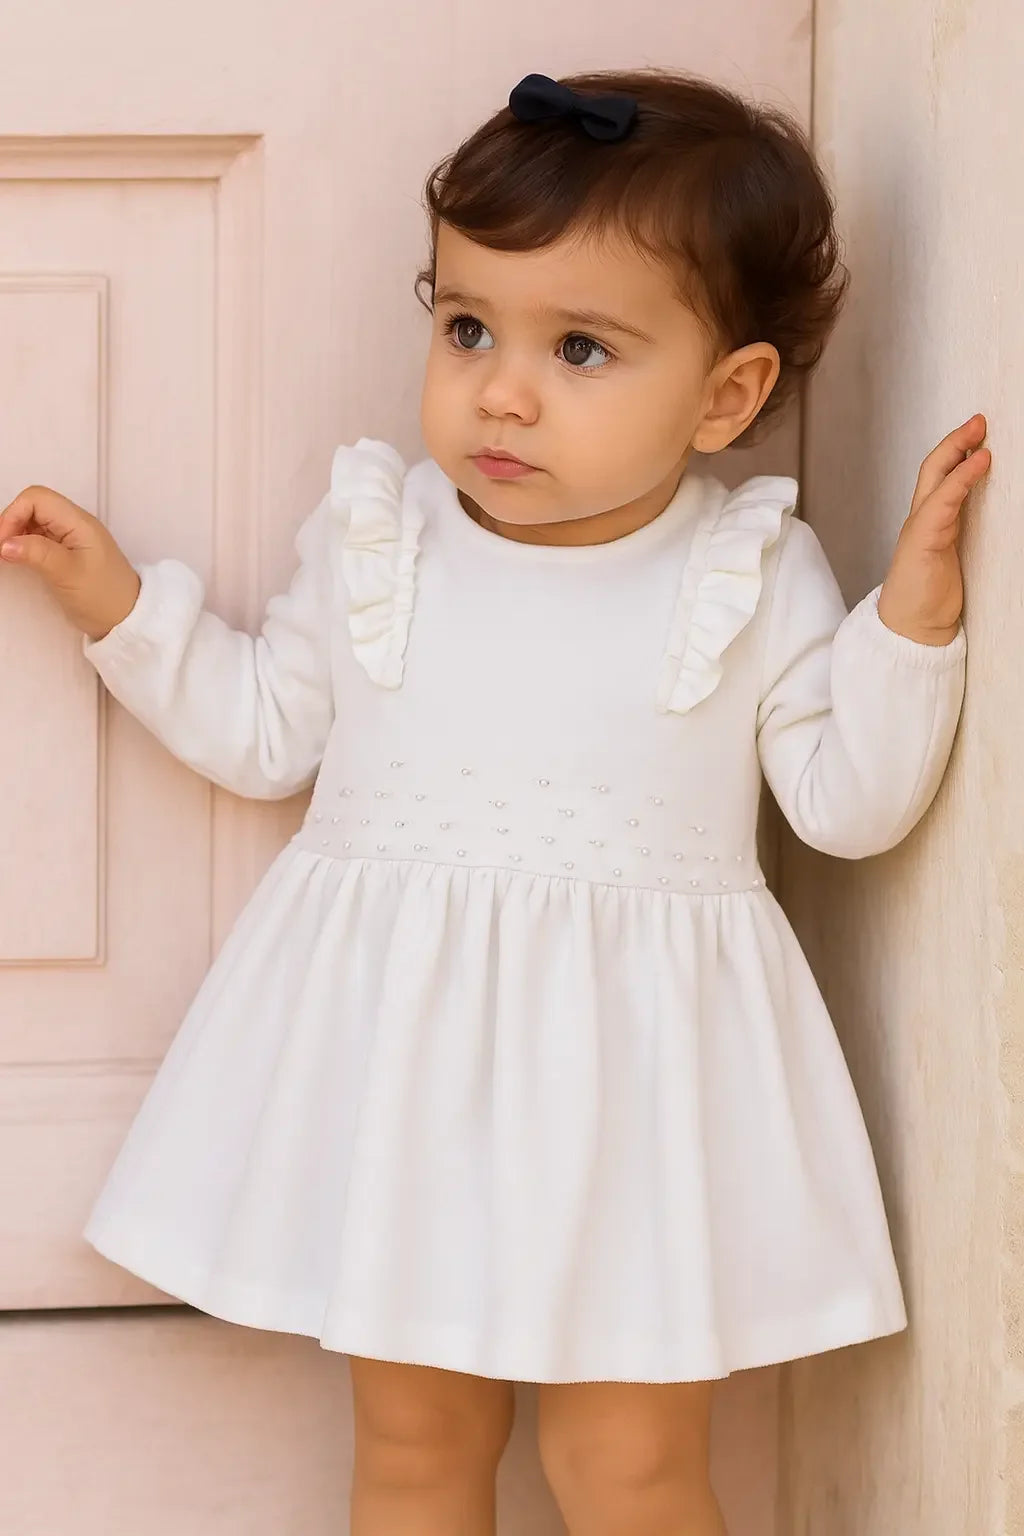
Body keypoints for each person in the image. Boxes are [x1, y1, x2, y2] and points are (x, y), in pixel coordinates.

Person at [0, 68, 989, 1536]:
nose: (501, 391)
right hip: (402, 1084)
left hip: (646, 1101)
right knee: (414, 1451)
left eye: (580, 346)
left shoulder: (749, 573)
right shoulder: (381, 540)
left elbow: (846, 804)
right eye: (467, 327)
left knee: (630, 1468)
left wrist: (909, 623)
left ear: (730, 394)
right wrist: (120, 606)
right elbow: (269, 730)